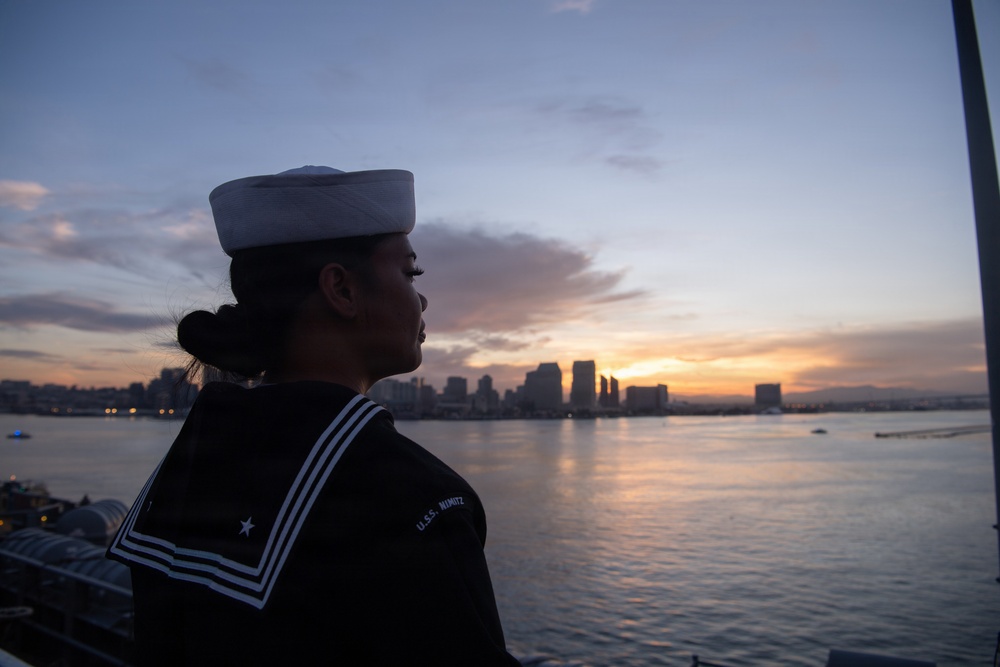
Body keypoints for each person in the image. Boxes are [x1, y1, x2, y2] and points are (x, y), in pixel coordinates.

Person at [108, 166, 520, 665]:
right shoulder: (408, 497)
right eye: (411, 273)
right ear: (342, 290)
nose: (422, 297)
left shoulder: (192, 460)